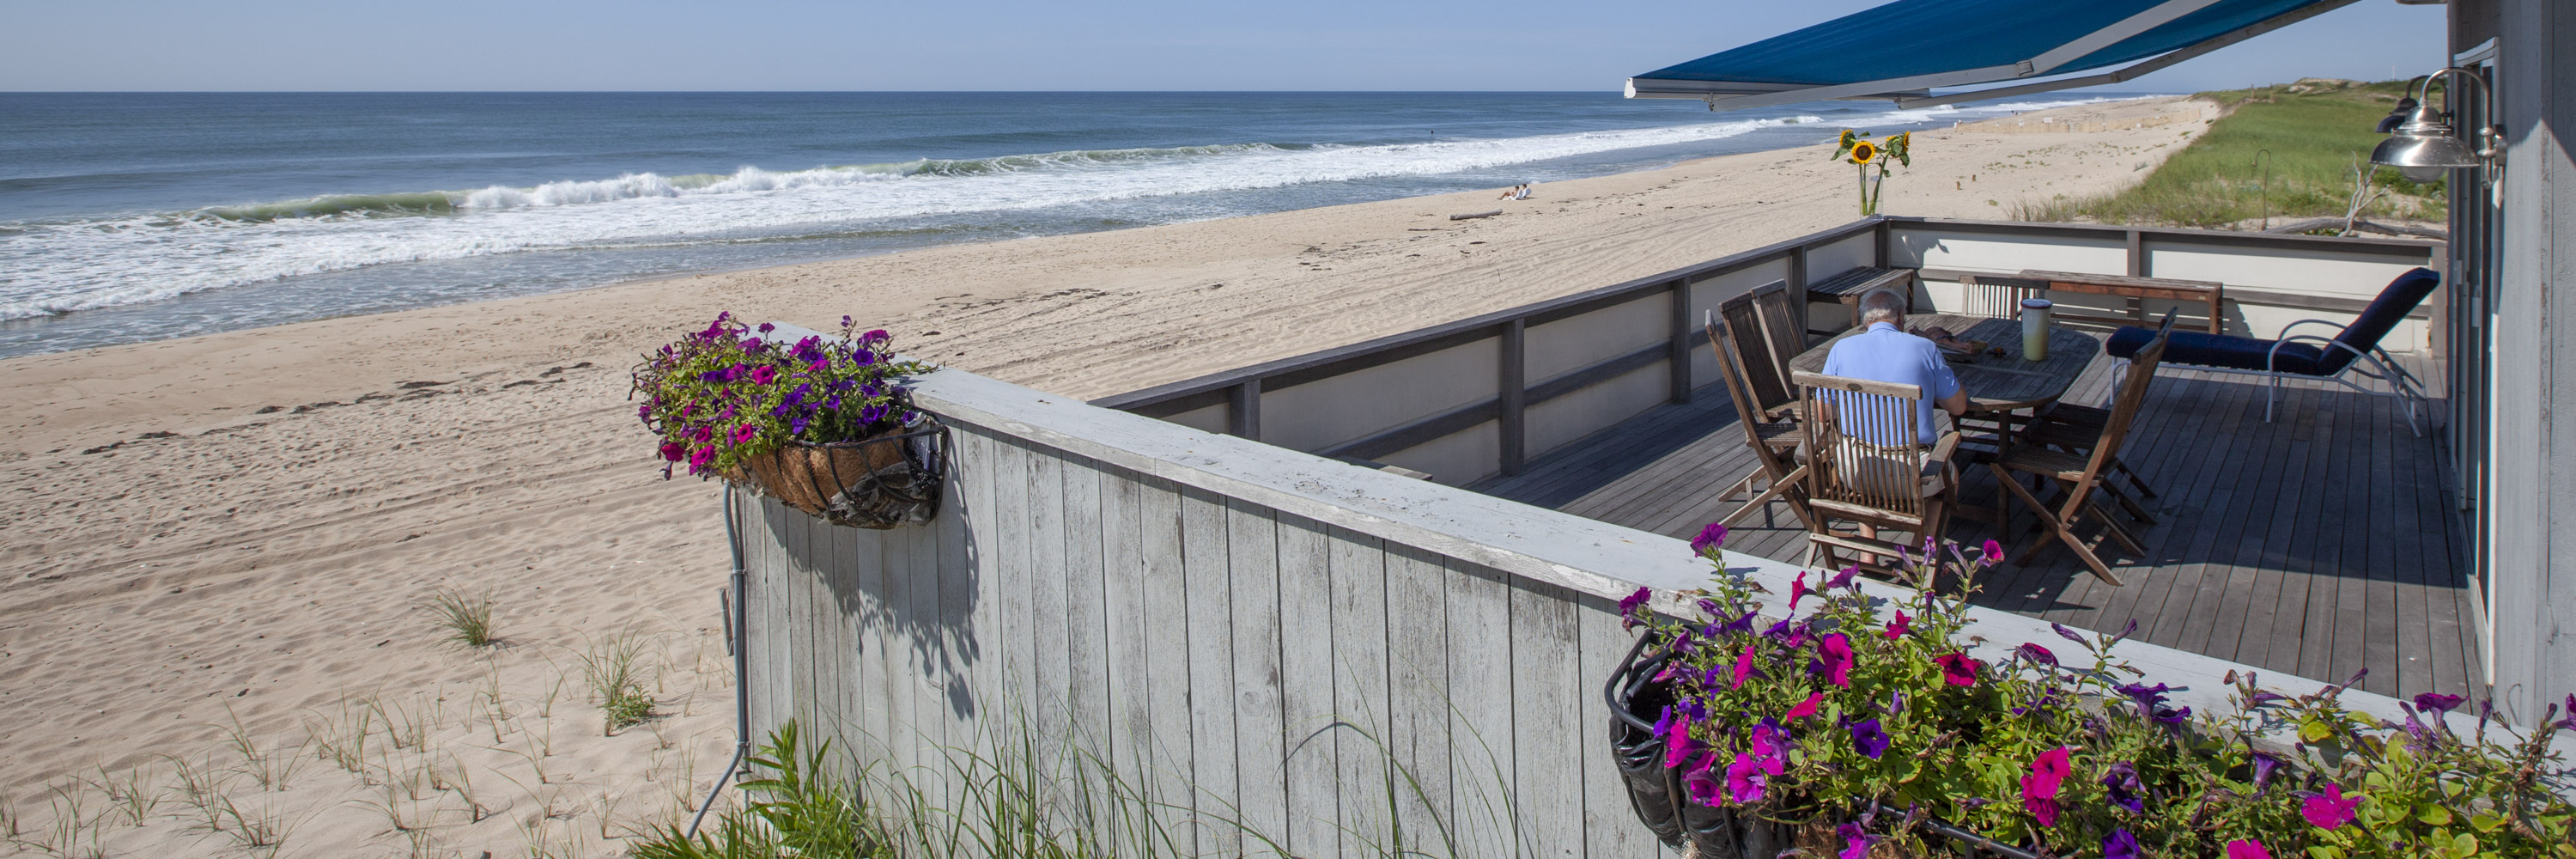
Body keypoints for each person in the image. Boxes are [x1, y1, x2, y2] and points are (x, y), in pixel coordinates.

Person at [1820, 289, 1968, 444]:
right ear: (1900, 316)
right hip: (1914, 462)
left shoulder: (1841, 348)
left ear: (1865, 320)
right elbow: (1958, 407)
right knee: (1953, 465)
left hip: (1858, 460)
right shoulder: (1926, 348)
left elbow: (1823, 412)